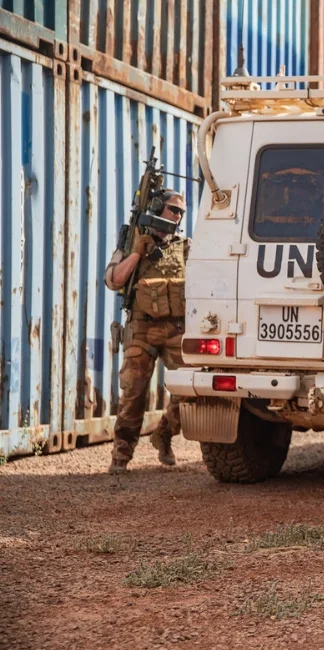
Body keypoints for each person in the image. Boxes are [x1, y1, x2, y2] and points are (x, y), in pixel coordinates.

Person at [103, 190, 190, 474]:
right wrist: (138, 252)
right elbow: (113, 280)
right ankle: (121, 454)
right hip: (142, 327)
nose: (177, 217)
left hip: (177, 328)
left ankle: (164, 434)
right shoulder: (132, 242)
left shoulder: (184, 246)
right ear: (156, 208)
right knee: (133, 394)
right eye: (173, 210)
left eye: (181, 213)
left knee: (190, 391)